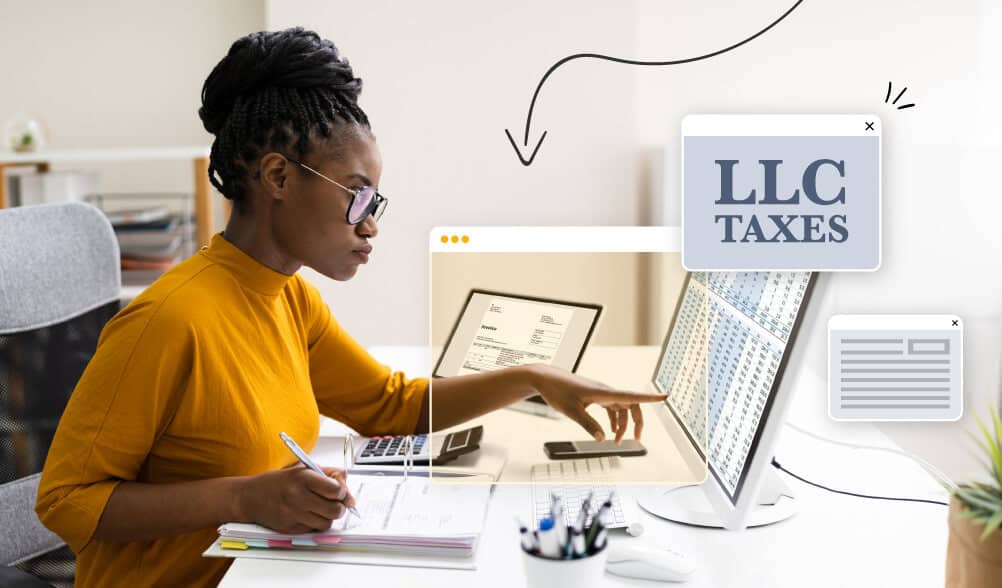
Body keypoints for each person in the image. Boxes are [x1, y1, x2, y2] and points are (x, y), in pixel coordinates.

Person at [35, 27, 665, 587]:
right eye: (359, 198)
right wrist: (245, 498)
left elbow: (391, 407)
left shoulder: (292, 301)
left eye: (376, 204)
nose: (371, 226)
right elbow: (66, 501)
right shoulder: (167, 321)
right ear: (278, 179)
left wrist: (533, 379)